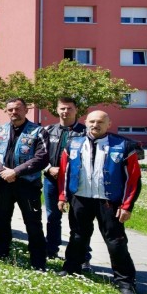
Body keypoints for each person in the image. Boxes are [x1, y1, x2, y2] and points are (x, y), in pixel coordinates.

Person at [57, 110, 141, 294]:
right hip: (80, 198)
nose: (95, 125)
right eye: (92, 121)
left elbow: (133, 179)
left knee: (116, 241)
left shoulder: (124, 145)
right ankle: (71, 268)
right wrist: (62, 196)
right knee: (77, 236)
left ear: (109, 124)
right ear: (86, 122)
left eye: (100, 122)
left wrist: (127, 205)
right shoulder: (73, 143)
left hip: (109, 201)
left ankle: (125, 282)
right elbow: (64, 172)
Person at [0, 97, 49, 270]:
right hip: (3, 183)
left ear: (26, 110)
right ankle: (1, 252)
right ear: (6, 111)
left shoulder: (38, 131)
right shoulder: (0, 130)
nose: (14, 112)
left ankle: (38, 261)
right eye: (11, 109)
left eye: (18, 109)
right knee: (2, 219)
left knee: (33, 223)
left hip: (28, 184)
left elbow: (42, 157)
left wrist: (16, 172)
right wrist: (1, 170)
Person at [43, 97, 86, 260]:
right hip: (51, 179)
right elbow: (39, 154)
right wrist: (49, 168)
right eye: (62, 108)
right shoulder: (48, 130)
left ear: (76, 110)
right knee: (52, 216)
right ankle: (51, 250)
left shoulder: (85, 132)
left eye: (69, 108)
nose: (65, 111)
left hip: (77, 182)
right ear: (57, 110)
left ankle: (82, 256)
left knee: (79, 219)